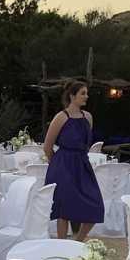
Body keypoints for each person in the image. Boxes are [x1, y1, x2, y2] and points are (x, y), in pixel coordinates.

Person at [43, 81, 104, 242]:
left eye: (86, 93)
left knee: (95, 204)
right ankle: (62, 247)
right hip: (62, 166)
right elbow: (47, 146)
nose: (86, 96)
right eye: (83, 93)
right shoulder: (61, 117)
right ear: (72, 96)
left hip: (82, 165)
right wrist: (55, 164)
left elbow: (86, 143)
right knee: (64, 210)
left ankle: (78, 242)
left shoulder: (88, 117)